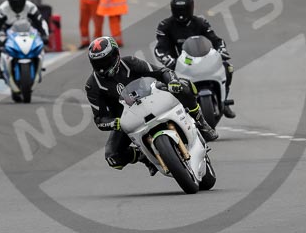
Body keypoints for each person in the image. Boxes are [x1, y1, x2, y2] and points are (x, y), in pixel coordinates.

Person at [85, 36, 218, 174]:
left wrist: (172, 82)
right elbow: (100, 119)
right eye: (98, 63)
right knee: (113, 157)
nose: (102, 67)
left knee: (184, 86)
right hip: (127, 120)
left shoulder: (130, 62)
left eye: (106, 60)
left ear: (116, 55)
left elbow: (162, 72)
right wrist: (115, 123)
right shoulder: (92, 85)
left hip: (152, 99)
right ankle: (144, 157)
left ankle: (200, 121)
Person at [154, 0, 235, 119]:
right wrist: (168, 60)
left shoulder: (201, 22)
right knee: (162, 82)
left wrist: (221, 50)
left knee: (227, 67)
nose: (181, 13)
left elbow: (216, 40)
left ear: (191, 8)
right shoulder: (165, 26)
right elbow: (160, 48)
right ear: (173, 10)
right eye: (178, 10)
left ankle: (224, 102)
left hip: (203, 59)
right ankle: (172, 113)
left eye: (184, 9)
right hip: (178, 64)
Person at [0, 0, 49, 79]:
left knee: (39, 41)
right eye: (14, 2)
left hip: (27, 29)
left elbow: (40, 21)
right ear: (9, 0)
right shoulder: (3, 9)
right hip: (8, 29)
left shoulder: (31, 7)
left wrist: (44, 35)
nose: (17, 5)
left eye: (20, 2)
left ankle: (38, 63)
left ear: (25, 0)